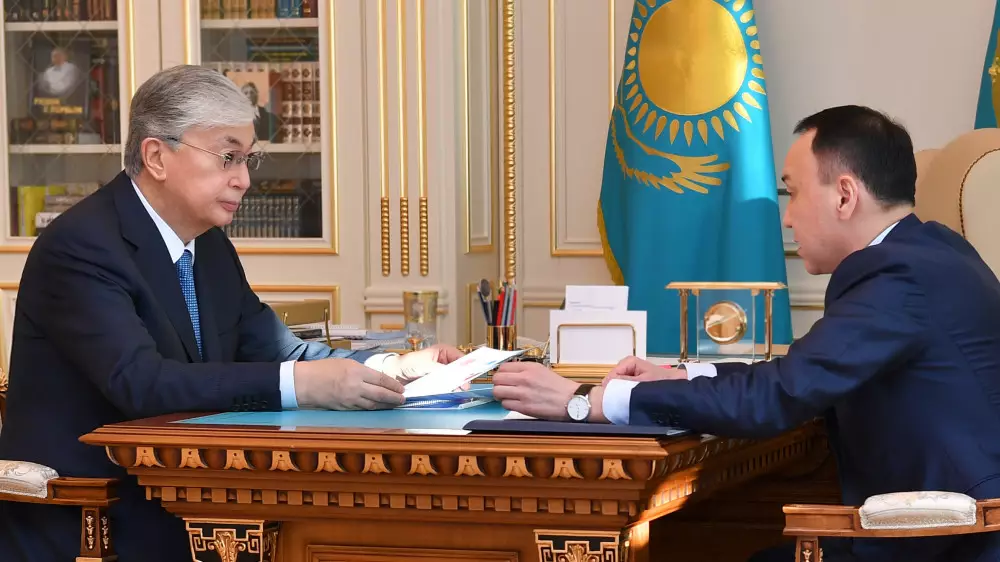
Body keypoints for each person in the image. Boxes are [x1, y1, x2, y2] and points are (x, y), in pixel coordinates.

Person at [493, 105, 1000, 562]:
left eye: (793, 192)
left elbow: (778, 396)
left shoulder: (896, 276)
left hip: (947, 540)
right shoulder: (933, 252)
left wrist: (586, 401)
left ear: (845, 195)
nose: (787, 217)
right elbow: (801, 373)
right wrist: (682, 376)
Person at [0, 65, 463, 562]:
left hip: (198, 497)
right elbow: (143, 384)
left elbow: (276, 348)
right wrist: (306, 384)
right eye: (228, 157)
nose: (244, 180)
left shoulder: (209, 246)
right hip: (97, 517)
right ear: (156, 156)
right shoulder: (81, 246)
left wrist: (392, 367)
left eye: (248, 159)